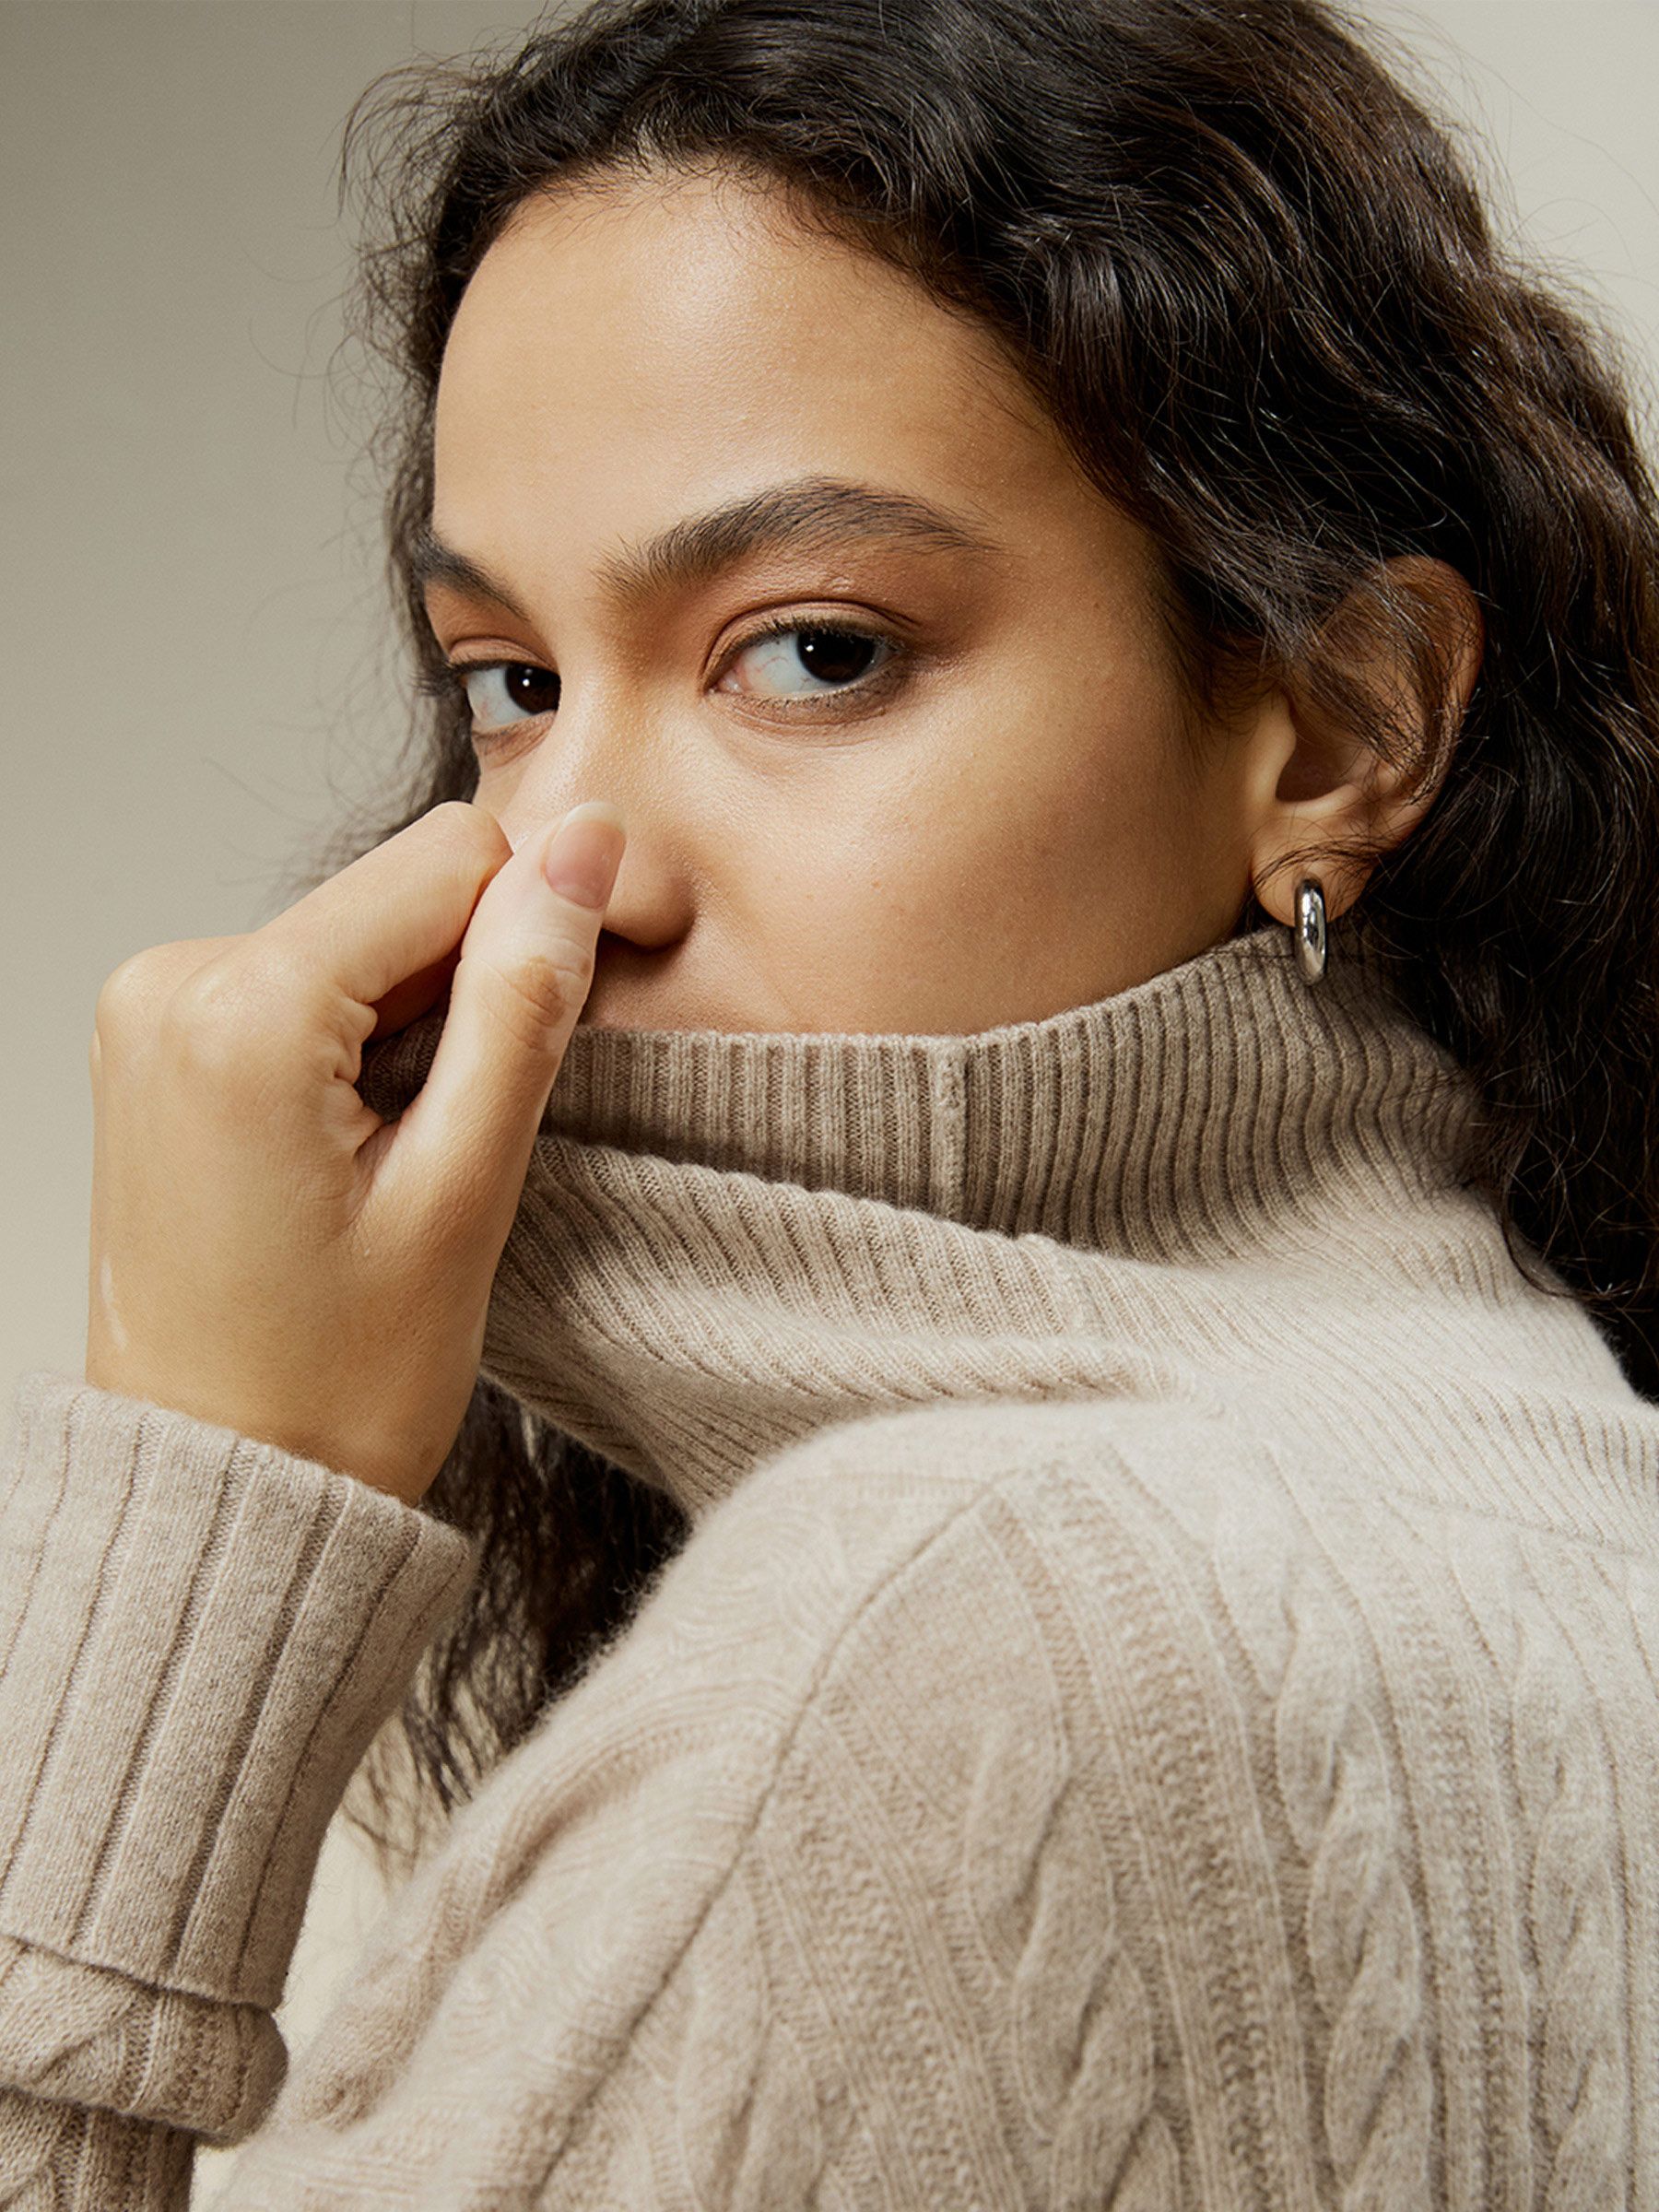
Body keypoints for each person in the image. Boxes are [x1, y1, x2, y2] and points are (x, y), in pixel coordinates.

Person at [3, 0, 1656, 2201]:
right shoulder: (1557, 1483)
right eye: (507, 685)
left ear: (1345, 725)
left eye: (814, 650)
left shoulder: (960, 1622)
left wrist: (210, 1496)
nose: (567, 873)